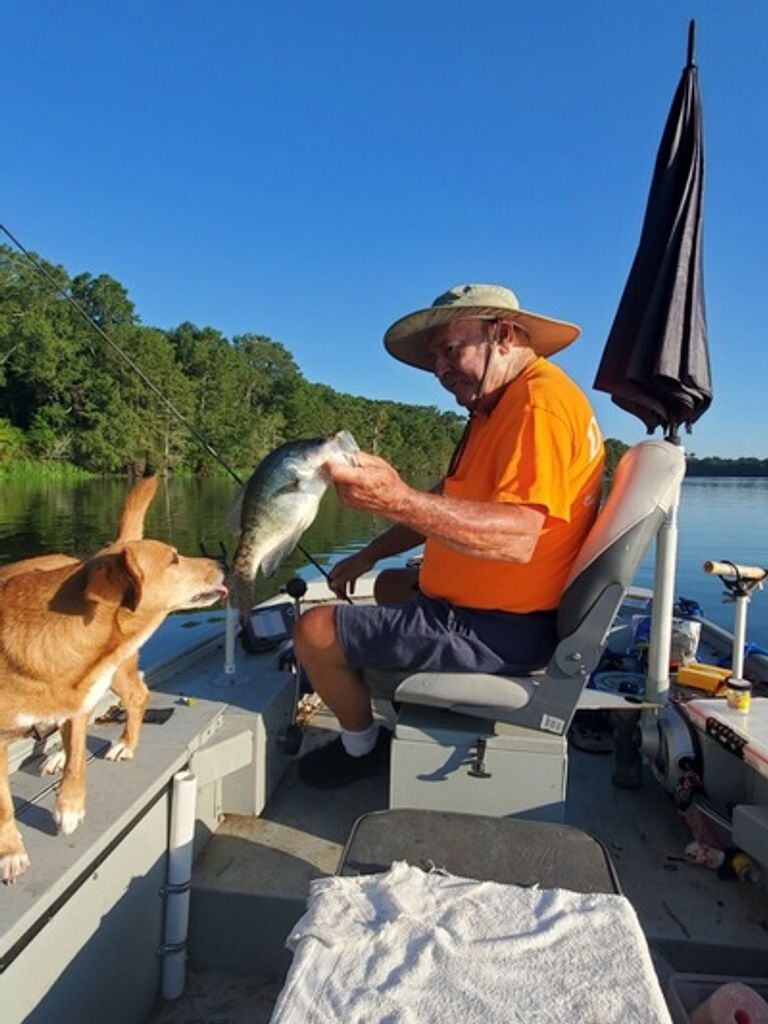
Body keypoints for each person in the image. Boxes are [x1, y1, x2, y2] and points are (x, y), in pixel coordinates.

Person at [294, 283, 604, 788]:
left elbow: (518, 539)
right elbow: (445, 499)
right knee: (393, 584)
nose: (439, 369)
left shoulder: (536, 408)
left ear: (502, 335)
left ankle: (360, 748)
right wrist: (369, 553)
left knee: (314, 632)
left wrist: (395, 496)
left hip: (500, 628)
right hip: (501, 606)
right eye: (433, 357)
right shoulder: (497, 406)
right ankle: (381, 682)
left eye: (450, 350)